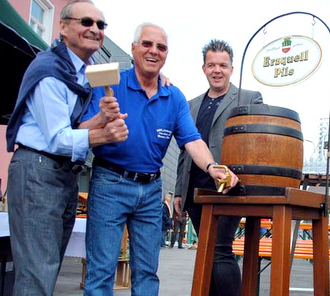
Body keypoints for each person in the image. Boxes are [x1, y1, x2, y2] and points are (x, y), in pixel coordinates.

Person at [81, 24, 239, 296]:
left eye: (161, 47)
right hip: (110, 184)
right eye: (146, 44)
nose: (153, 51)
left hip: (151, 191)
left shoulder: (173, 96)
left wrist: (212, 167)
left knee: (147, 273)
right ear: (133, 48)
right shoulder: (108, 84)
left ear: (166, 55)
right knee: (101, 272)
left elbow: (192, 140)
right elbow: (79, 130)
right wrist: (102, 127)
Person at [4, 1, 128, 295]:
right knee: (37, 274)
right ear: (63, 27)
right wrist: (105, 135)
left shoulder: (79, 72)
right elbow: (58, 139)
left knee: (46, 270)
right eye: (86, 22)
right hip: (38, 171)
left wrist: (99, 119)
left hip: (58, 174)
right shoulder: (50, 70)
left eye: (100, 25)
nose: (95, 29)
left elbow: (68, 130)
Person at [174, 39, 263, 296]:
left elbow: (254, 140)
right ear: (204, 68)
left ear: (231, 69)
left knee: (220, 248)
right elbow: (185, 150)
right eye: (211, 65)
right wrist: (179, 191)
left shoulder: (249, 98)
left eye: (223, 65)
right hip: (195, 190)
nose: (217, 70)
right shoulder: (190, 105)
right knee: (207, 249)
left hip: (228, 189)